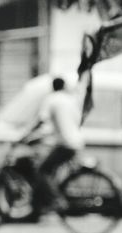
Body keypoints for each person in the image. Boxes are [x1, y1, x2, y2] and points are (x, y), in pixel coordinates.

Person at [35, 76, 86, 211]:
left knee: (42, 172)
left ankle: (56, 200)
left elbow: (41, 121)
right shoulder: (71, 100)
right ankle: (45, 204)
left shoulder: (51, 99)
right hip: (77, 142)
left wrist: (28, 134)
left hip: (65, 144)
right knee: (52, 169)